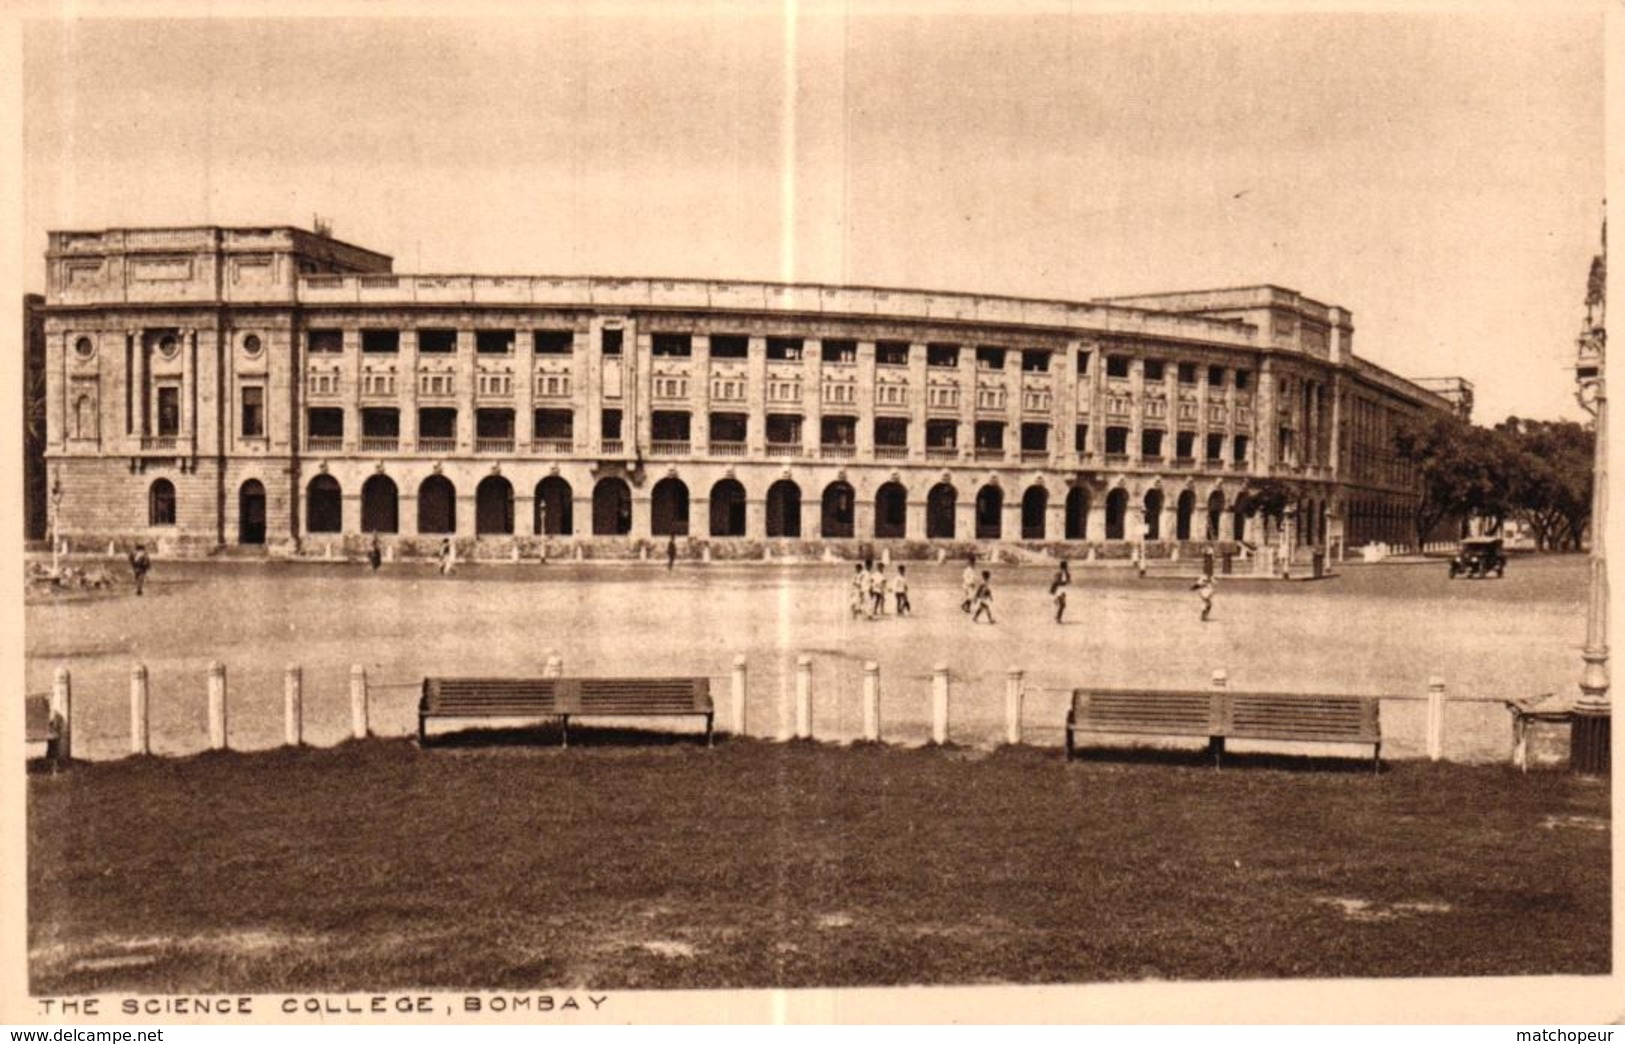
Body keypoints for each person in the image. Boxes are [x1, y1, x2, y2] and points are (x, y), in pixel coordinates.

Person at [1050, 559, 1070, 624]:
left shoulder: (1060, 572)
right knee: (1062, 605)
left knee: (1060, 604)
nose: (1068, 566)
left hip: (1060, 590)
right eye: (1067, 565)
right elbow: (1061, 582)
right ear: (1065, 566)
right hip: (1061, 590)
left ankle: (1057, 616)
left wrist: (1052, 590)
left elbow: (1055, 582)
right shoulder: (1064, 573)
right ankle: (1058, 618)